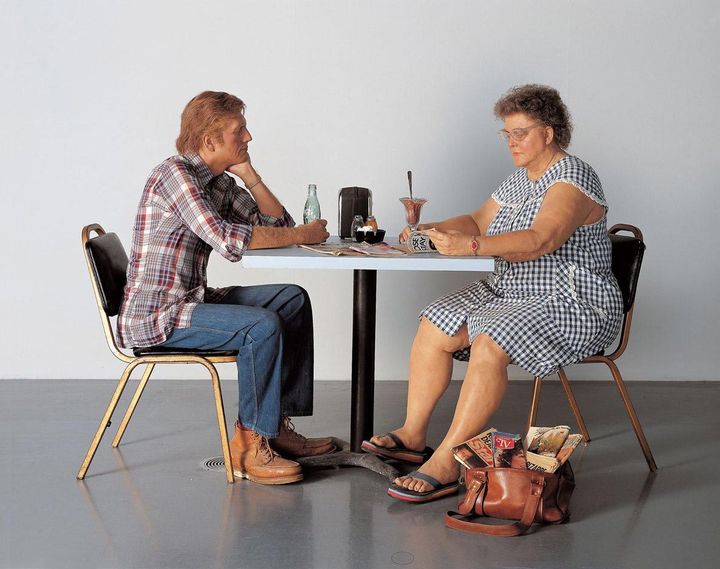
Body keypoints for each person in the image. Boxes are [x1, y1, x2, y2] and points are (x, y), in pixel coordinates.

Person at [362, 84, 623, 503]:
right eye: (507, 134)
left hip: (569, 299)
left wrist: (469, 246)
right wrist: (433, 230)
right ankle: (413, 434)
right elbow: (476, 220)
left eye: (520, 133)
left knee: (491, 339)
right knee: (435, 320)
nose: (512, 143)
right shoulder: (520, 179)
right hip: (510, 289)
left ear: (550, 133)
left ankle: (449, 461)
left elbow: (541, 240)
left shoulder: (573, 176)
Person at [117, 91, 335, 485]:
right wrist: (303, 233)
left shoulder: (217, 183)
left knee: (291, 299)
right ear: (209, 141)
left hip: (190, 300)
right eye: (239, 130)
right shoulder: (175, 175)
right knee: (262, 325)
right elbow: (226, 238)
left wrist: (250, 176)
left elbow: (280, 228)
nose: (248, 137)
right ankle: (250, 447)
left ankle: (276, 427)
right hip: (158, 317)